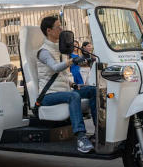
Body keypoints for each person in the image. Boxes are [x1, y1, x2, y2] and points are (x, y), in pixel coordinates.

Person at [36, 16, 97, 154]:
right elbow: (56, 68)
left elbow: (60, 76)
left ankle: (98, 131)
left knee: (93, 90)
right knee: (73, 96)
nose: (62, 29)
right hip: (48, 96)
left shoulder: (60, 50)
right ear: (49, 30)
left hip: (64, 91)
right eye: (58, 27)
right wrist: (72, 61)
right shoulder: (44, 51)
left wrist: (74, 85)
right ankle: (81, 137)